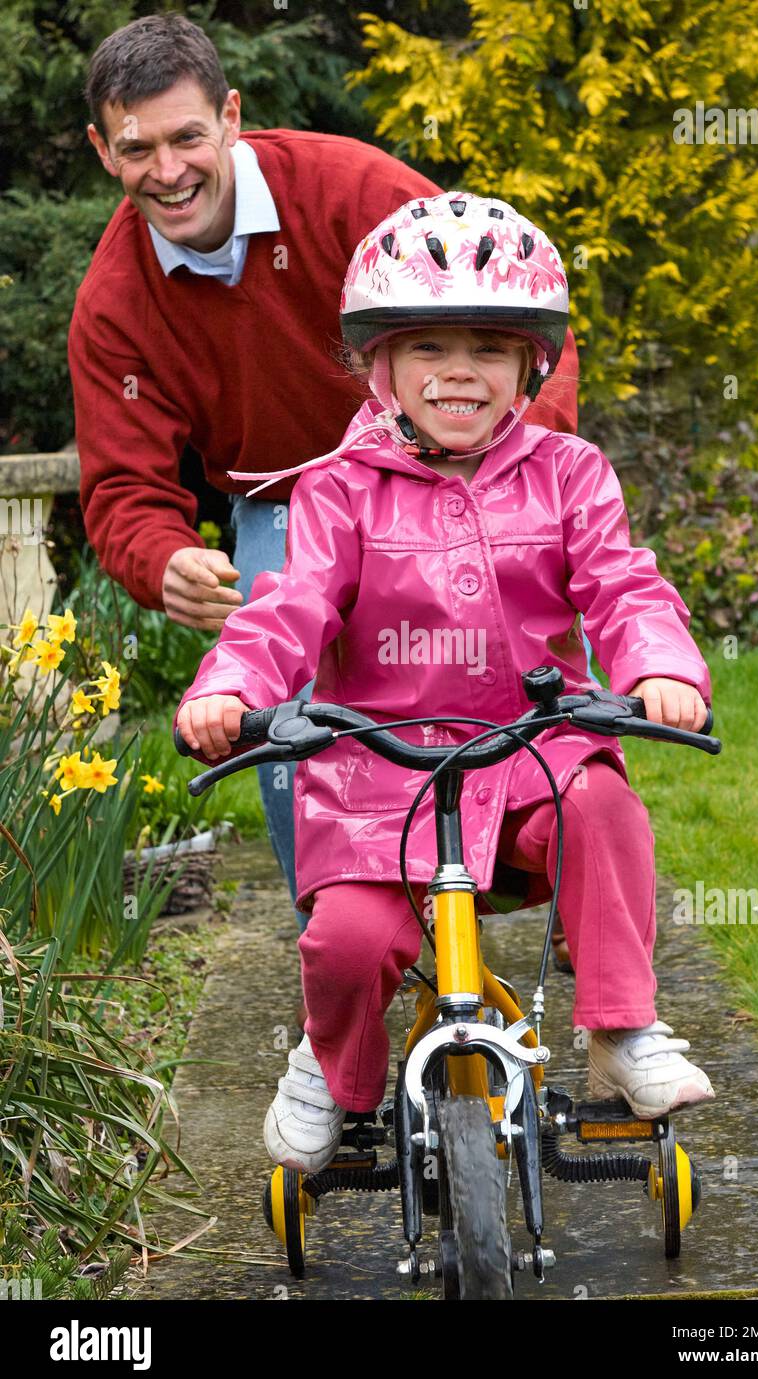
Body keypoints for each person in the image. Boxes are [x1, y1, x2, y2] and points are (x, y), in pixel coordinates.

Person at [175, 192, 715, 1174]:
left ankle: (621, 1024)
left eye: (489, 348)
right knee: (341, 942)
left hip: (528, 754)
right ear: (380, 367)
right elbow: (288, 606)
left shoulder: (569, 474)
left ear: (527, 367)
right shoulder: (338, 488)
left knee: (602, 808)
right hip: (376, 776)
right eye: (428, 348)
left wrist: (659, 667)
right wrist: (230, 689)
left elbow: (620, 584)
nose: (458, 371)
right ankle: (329, 1067)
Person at [68, 13, 585, 935]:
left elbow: (517, 307)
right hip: (288, 495)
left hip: (451, 464)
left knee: (517, 660)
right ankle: (347, 934)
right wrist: (162, 559)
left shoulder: (350, 189)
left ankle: (564, 879)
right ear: (104, 150)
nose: (169, 169)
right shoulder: (114, 305)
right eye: (137, 147)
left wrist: (514, 458)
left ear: (230, 116)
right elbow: (122, 491)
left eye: (188, 136)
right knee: (277, 708)